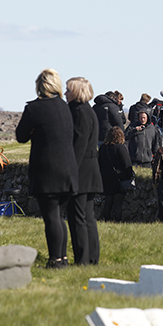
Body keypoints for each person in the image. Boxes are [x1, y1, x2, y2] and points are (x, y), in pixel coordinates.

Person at [16, 68, 79, 269]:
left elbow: (21, 135)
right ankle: (63, 258)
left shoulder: (35, 109)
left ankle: (55, 260)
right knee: (59, 217)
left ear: (40, 86)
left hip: (47, 170)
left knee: (51, 217)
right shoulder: (65, 107)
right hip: (68, 169)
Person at [65, 76, 103, 266]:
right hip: (90, 169)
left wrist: (70, 172)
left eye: (68, 90)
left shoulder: (79, 112)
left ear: (77, 92)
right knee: (87, 217)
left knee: (78, 217)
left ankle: (82, 260)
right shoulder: (87, 110)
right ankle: (91, 258)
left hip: (81, 170)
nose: (65, 93)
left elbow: (78, 146)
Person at [98, 126, 133, 222]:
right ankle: (118, 221)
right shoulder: (120, 148)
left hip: (106, 178)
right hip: (118, 178)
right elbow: (127, 164)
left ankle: (106, 220)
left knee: (108, 202)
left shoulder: (103, 148)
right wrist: (130, 176)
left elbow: (99, 163)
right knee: (118, 202)